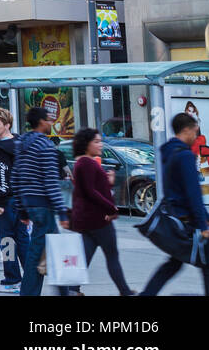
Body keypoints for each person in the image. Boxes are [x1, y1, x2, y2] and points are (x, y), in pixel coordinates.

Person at [141, 112, 209, 296]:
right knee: (205, 262)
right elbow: (193, 193)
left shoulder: (169, 152)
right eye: (194, 132)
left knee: (174, 264)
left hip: (176, 219)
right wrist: (203, 224)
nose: (196, 137)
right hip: (188, 221)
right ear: (186, 130)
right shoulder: (185, 156)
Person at [11, 106, 71, 297]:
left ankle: (64, 291)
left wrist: (22, 210)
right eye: (48, 119)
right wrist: (62, 212)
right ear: (42, 122)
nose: (51, 123)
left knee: (53, 251)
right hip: (44, 207)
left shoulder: (21, 143)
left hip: (30, 204)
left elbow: (15, 177)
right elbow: (51, 182)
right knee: (37, 255)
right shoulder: (45, 147)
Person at [67, 128, 134, 296]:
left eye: (100, 141)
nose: (100, 144)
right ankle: (125, 292)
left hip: (87, 220)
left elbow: (90, 189)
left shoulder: (81, 162)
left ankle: (73, 290)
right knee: (112, 256)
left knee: (85, 256)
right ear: (86, 144)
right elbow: (90, 191)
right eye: (96, 141)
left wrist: (108, 183)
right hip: (98, 219)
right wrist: (111, 208)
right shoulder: (87, 163)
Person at [0, 107, 28, 293]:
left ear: (7, 125)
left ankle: (12, 279)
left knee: (7, 240)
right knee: (22, 239)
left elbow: (2, 178)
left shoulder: (0, 149)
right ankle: (30, 278)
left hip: (7, 203)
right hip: (22, 200)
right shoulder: (20, 142)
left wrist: (0, 202)